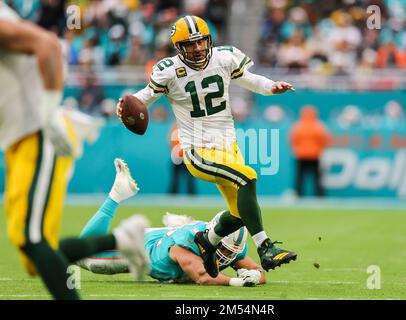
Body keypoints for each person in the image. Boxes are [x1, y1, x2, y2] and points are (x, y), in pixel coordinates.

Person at [117, 15, 297, 278]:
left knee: (239, 214)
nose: (198, 48)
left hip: (228, 146)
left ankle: (207, 242)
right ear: (179, 47)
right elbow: (143, 98)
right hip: (197, 149)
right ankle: (266, 248)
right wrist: (123, 105)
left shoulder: (224, 57)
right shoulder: (168, 70)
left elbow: (248, 79)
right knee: (248, 176)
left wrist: (272, 87)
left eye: (201, 41)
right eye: (190, 44)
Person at [0, 3, 149, 300]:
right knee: (33, 255)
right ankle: (120, 238)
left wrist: (47, 113)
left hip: (40, 132)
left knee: (33, 240)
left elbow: (48, 45)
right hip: (19, 139)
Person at [77, 159, 266, 287]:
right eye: (223, 250)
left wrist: (255, 275)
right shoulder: (186, 246)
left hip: (165, 236)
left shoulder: (230, 245)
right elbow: (203, 277)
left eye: (230, 252)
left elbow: (259, 273)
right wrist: (238, 281)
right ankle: (117, 194)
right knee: (82, 255)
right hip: (143, 248)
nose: (226, 256)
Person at [289, 105, 330, 197]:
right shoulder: (319, 126)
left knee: (300, 177)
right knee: (317, 178)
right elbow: (324, 140)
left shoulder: (298, 126)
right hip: (315, 155)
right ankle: (320, 195)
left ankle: (299, 194)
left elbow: (293, 140)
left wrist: (297, 150)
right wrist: (319, 150)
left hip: (301, 155)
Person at [168, 123, 196, 195]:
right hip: (178, 157)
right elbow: (171, 141)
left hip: (187, 157)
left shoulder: (188, 127)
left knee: (190, 179)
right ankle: (172, 195)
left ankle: (192, 196)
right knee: (175, 178)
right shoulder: (176, 126)